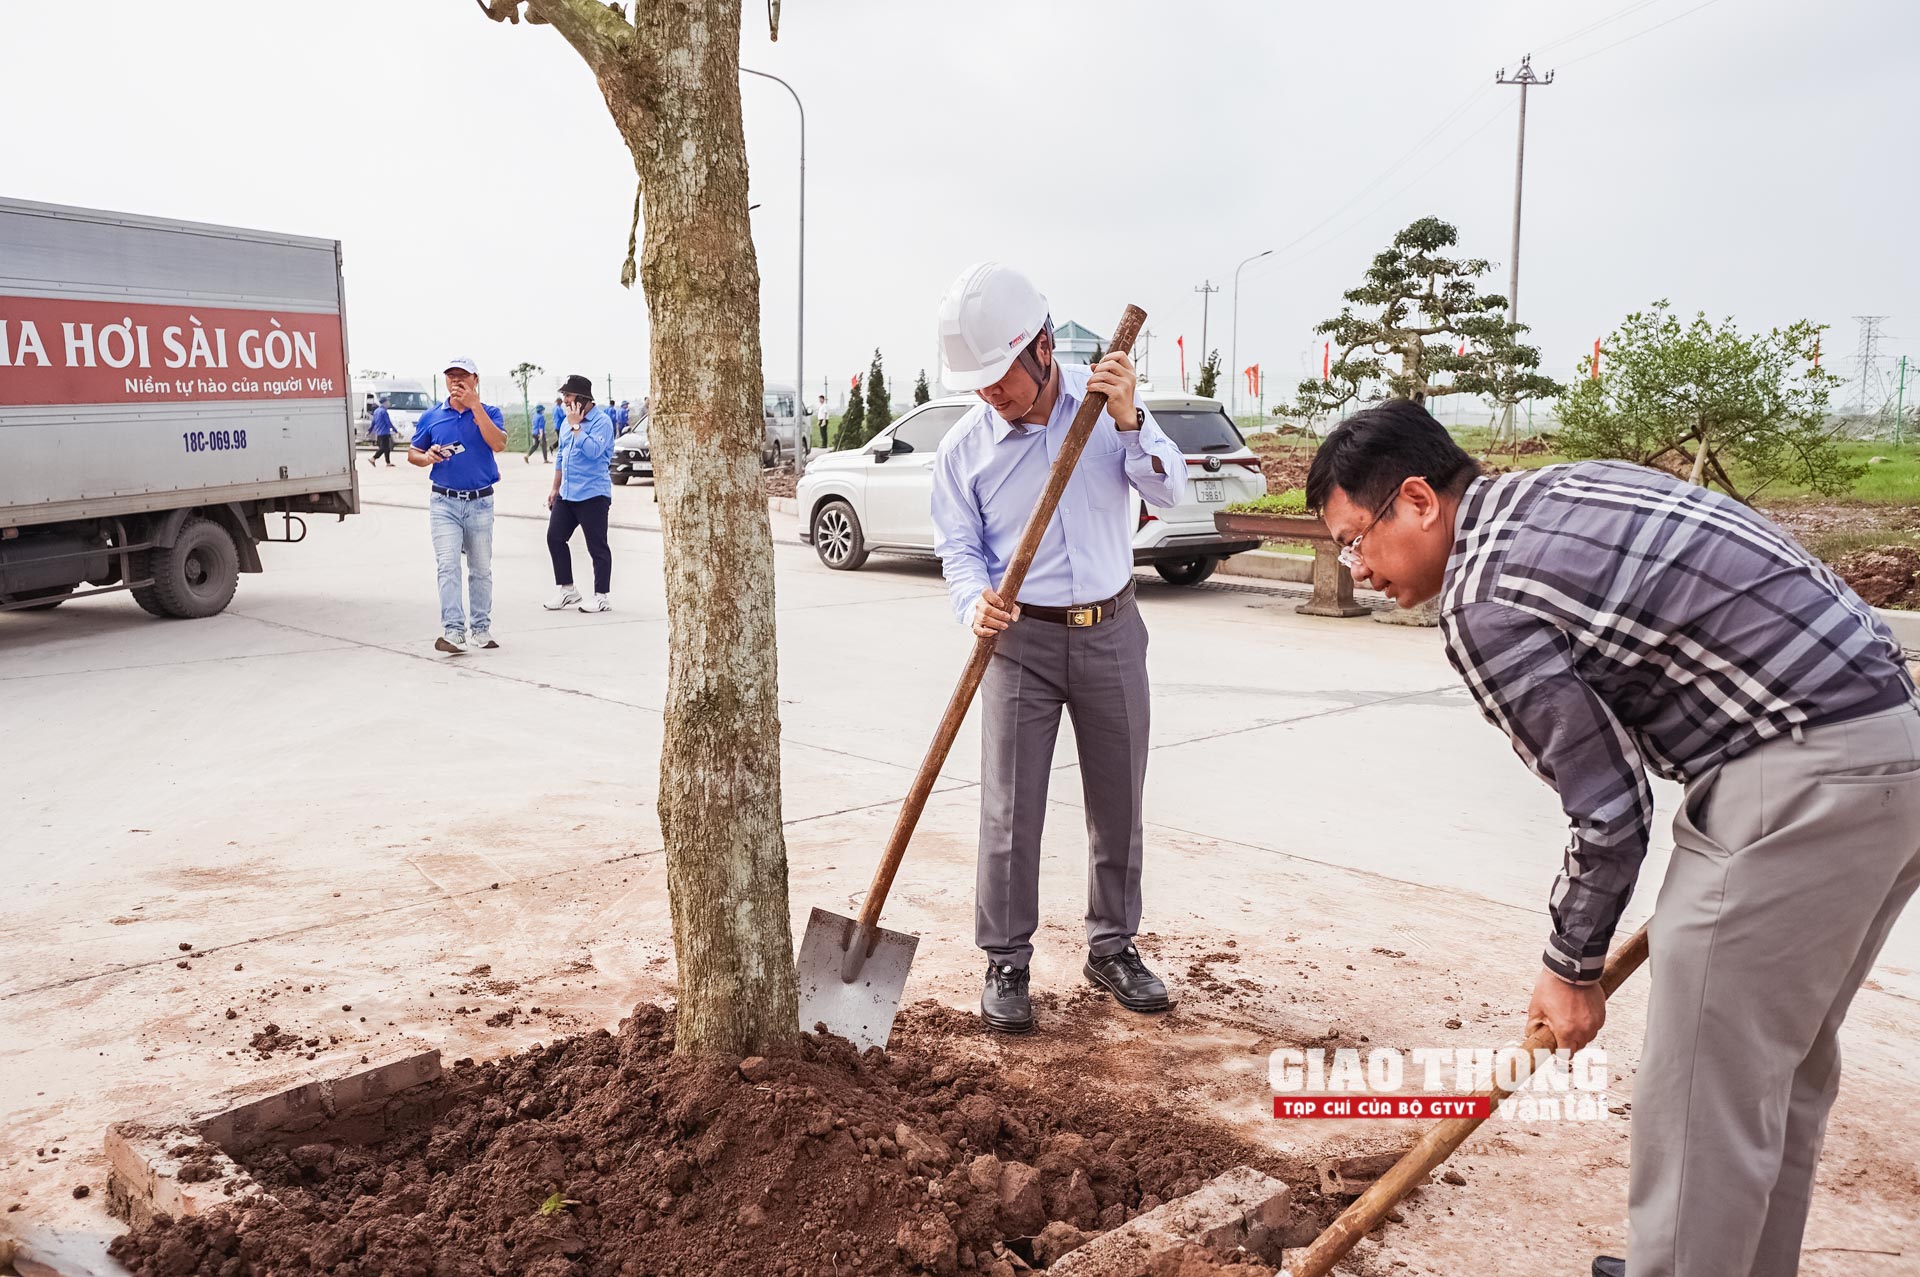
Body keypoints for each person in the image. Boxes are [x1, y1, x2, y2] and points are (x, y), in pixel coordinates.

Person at [1304, 400, 1920, 1277]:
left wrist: (1570, 967)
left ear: (1417, 499)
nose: (1355, 568)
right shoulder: (1561, 489)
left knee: (1706, 1101)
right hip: (1894, 750)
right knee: (1771, 1076)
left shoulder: (1484, 599)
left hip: (1797, 780)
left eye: (1355, 538)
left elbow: (1609, 810)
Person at [929, 262, 1187, 1035]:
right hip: (1019, 641)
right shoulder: (964, 449)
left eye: (999, 376)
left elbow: (1170, 490)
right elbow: (959, 550)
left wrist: (1135, 421)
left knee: (1119, 799)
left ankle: (1113, 946)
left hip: (1110, 628)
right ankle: (1007, 958)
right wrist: (975, 604)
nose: (989, 394)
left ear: (1042, 346)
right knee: (1011, 809)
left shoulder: (1109, 405)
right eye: (976, 383)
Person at [408, 357, 507, 653]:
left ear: (475, 379)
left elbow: (499, 443)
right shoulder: (433, 416)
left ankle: (481, 629)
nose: (455, 382)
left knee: (480, 568)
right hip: (444, 502)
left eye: (462, 376)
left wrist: (475, 406)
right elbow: (414, 452)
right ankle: (453, 631)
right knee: (448, 566)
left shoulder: (489, 412)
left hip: (480, 502)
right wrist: (428, 457)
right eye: (451, 376)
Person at [543, 374, 616, 615]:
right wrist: (555, 488)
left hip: (593, 494)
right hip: (567, 493)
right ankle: (567, 589)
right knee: (555, 537)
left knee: (597, 546)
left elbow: (594, 451)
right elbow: (561, 456)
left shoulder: (601, 422)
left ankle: (601, 596)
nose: (564, 399)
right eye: (563, 395)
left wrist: (576, 426)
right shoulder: (565, 422)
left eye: (568, 395)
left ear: (583, 399)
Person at [366, 396, 396, 467]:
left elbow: (373, 422)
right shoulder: (383, 412)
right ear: (385, 402)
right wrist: (395, 430)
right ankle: (373, 458)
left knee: (387, 448)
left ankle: (388, 462)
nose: (389, 403)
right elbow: (388, 422)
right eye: (388, 401)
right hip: (384, 432)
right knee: (384, 448)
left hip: (379, 433)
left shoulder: (376, 411)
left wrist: (369, 431)